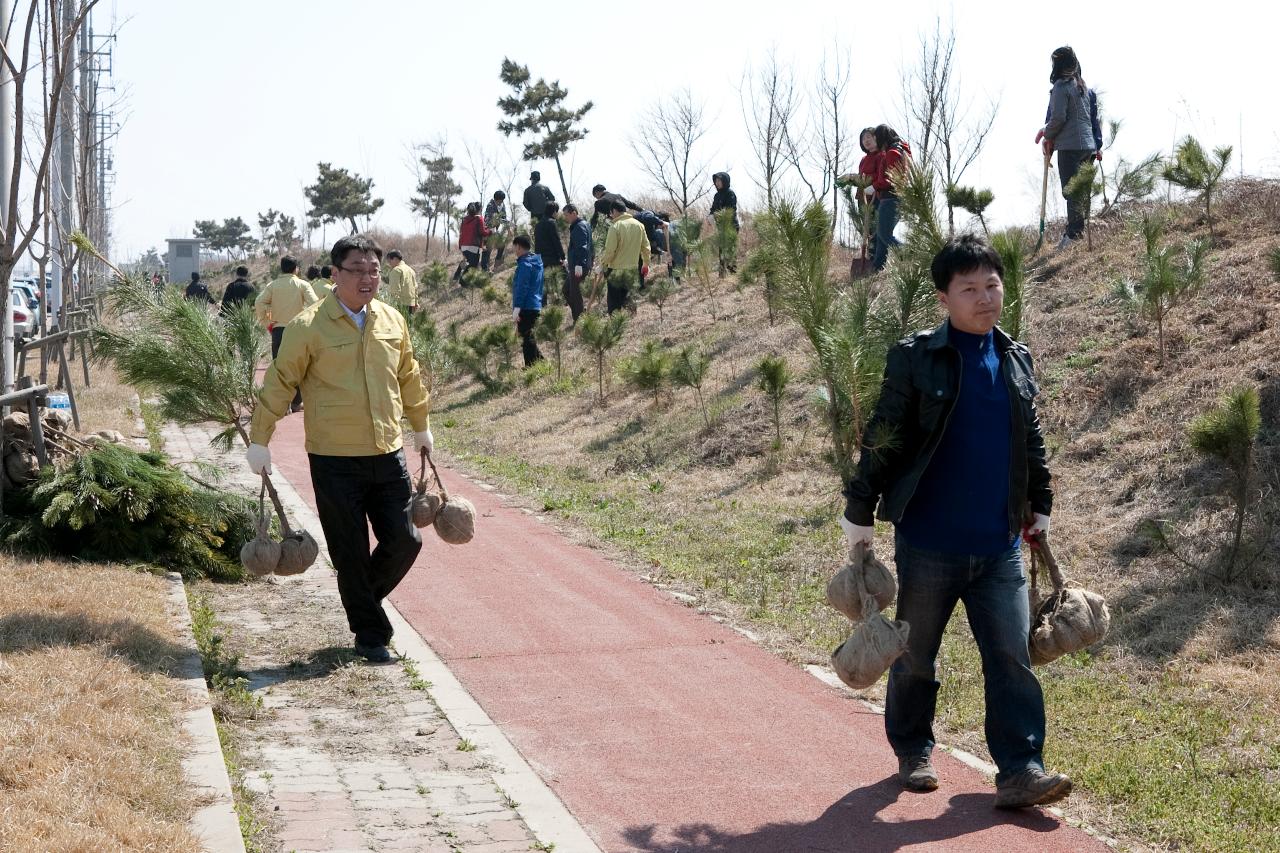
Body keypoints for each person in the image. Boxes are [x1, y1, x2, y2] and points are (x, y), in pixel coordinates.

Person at [840, 234, 1070, 809]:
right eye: (969, 288)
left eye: (992, 284)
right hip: (930, 542)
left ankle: (1020, 769)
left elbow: (1031, 440)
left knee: (1013, 659)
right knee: (916, 655)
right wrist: (859, 510)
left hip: (998, 545)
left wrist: (1039, 500)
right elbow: (883, 436)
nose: (985, 297)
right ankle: (913, 748)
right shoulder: (916, 356)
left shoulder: (1015, 358)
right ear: (943, 297)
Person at [246, 234, 432, 664]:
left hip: (387, 452)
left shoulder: (391, 321)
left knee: (406, 540)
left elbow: (409, 376)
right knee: (349, 549)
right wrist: (260, 438)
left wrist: (421, 427)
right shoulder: (307, 327)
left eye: (374, 270)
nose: (368, 278)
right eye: (358, 269)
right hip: (334, 459)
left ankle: (360, 597)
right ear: (335, 275)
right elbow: (280, 383)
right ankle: (371, 635)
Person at [1035, 46, 1102, 250]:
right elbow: (1092, 120)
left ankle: (1074, 235)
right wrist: (1097, 145)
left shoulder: (1061, 87)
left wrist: (1045, 133)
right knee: (1082, 191)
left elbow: (1058, 119)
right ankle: (1079, 232)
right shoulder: (1084, 88)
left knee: (1071, 191)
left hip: (1071, 147)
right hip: (1088, 147)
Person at [255, 255, 319, 412]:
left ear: (281, 268)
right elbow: (316, 304)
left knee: (280, 367)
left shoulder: (272, 286)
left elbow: (259, 302)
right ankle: (296, 402)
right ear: (296, 268)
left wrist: (267, 322)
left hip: (278, 331)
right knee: (299, 367)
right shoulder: (303, 285)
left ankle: (283, 405)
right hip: (298, 331)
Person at [596, 199, 650, 314]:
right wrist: (645, 263)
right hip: (632, 268)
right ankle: (631, 324)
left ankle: (616, 327)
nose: (611, 216)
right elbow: (646, 247)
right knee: (629, 298)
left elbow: (610, 251)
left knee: (615, 302)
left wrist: (602, 264)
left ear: (614, 211)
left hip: (616, 270)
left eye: (611, 213)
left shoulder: (615, 226)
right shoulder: (639, 225)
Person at [510, 234, 544, 367]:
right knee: (529, 336)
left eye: (514, 247)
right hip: (535, 304)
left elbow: (522, 287)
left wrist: (517, 307)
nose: (514, 250)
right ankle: (540, 363)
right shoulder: (537, 262)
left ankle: (531, 367)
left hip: (526, 305)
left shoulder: (525, 264)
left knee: (526, 338)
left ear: (518, 247)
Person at [563, 204, 592, 323]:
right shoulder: (582, 224)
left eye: (566, 215)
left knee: (574, 293)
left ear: (574, 213)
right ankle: (580, 313)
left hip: (578, 266)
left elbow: (583, 247)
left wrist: (580, 264)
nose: (565, 218)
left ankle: (580, 319)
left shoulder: (579, 226)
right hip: (577, 265)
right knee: (566, 290)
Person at [708, 172, 739, 274]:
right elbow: (713, 209)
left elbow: (731, 209)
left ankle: (733, 271)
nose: (717, 183)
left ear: (724, 181)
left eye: (719, 180)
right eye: (715, 181)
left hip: (731, 226)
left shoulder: (730, 193)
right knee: (722, 248)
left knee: (730, 249)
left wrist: (718, 215)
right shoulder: (717, 195)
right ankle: (722, 272)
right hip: (721, 227)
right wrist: (710, 217)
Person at [456, 201, 491, 285]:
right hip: (473, 246)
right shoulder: (479, 218)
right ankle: (463, 282)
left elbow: (461, 232)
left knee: (470, 264)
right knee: (473, 265)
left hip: (463, 245)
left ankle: (461, 279)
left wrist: (460, 246)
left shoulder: (464, 219)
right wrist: (490, 231)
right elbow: (482, 232)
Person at [481, 191, 508, 271]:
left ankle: (497, 264)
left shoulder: (503, 205)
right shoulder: (490, 205)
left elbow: (504, 217)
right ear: (496, 199)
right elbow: (487, 219)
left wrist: (505, 223)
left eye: (503, 200)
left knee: (502, 245)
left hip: (498, 230)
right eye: (501, 200)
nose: (502, 202)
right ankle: (485, 269)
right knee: (487, 250)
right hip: (489, 230)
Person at [534, 201, 566, 269]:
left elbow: (537, 244)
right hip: (552, 259)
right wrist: (563, 257)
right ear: (554, 212)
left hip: (540, 259)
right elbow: (556, 241)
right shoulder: (551, 222)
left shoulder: (537, 225)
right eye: (557, 212)